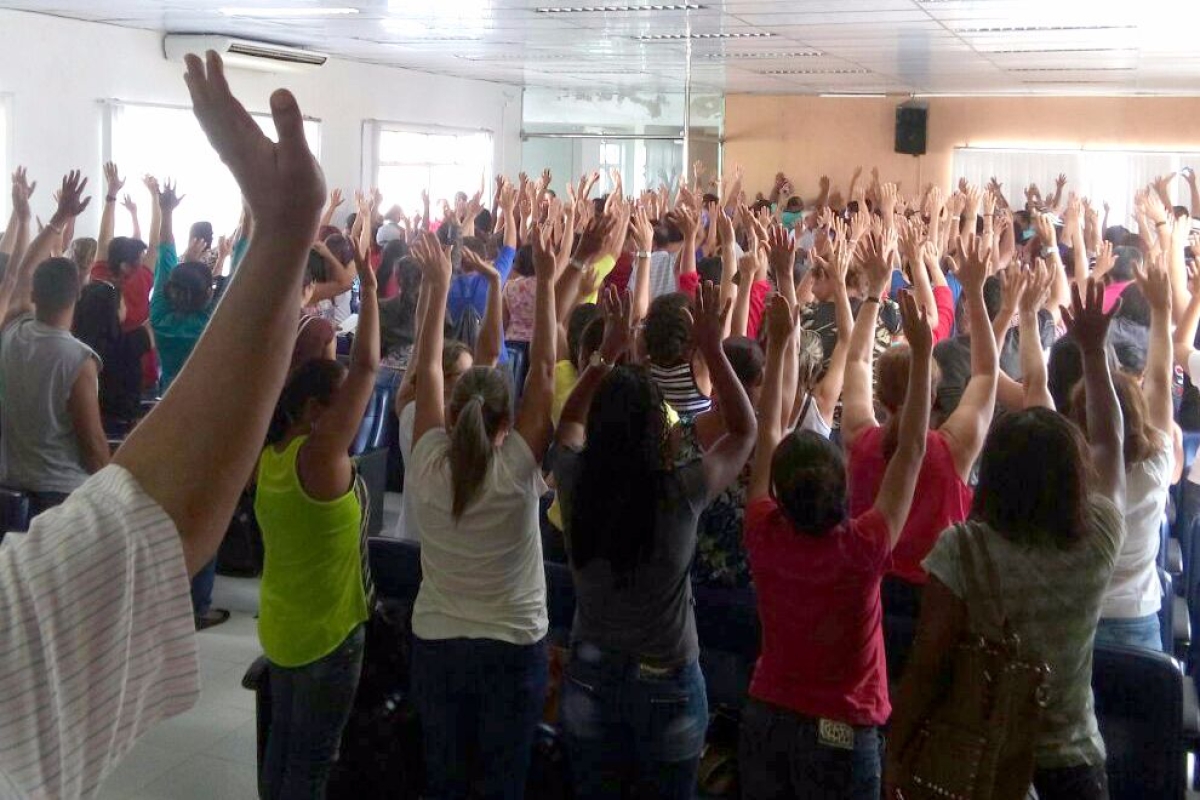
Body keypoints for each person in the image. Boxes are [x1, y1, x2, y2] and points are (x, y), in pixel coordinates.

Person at [0, 50, 328, 798]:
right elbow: (153, 512)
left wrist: (46, 220)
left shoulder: (92, 321)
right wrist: (278, 235)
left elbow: (149, 520)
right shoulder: (91, 348)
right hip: (68, 486)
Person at [888, 279, 1127, 800]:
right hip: (1073, 762)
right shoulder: (1100, 540)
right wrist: (1092, 351)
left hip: (977, 759)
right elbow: (1110, 441)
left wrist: (895, 754)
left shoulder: (962, 550)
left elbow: (927, 668)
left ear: (993, 476)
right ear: (1074, 478)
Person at [554, 282, 756, 798]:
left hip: (592, 667)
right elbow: (744, 430)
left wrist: (605, 356)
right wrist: (710, 346)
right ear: (658, 429)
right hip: (665, 675)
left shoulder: (576, 481)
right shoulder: (680, 490)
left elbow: (570, 422)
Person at [739, 288, 931, 800]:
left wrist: (780, 344)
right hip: (842, 731)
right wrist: (924, 354)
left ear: (777, 491)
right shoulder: (863, 547)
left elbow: (769, 429)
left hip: (769, 717)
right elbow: (911, 450)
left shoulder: (762, 530)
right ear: (843, 489)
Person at [404, 217, 557, 799]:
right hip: (512, 648)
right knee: (502, 785)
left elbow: (426, 374)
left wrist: (436, 288)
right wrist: (543, 280)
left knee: (446, 782)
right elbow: (543, 370)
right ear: (506, 419)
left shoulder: (425, 464)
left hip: (438, 645)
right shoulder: (518, 469)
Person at [255, 245, 378, 799]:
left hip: (282, 630)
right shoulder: (319, 461)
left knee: (282, 749)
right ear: (313, 413)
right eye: (340, 405)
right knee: (313, 763)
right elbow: (369, 369)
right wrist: (371, 292)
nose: (351, 417)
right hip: (328, 638)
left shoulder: (272, 457)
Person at [843, 234, 997, 622]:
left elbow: (858, 360)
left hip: (870, 597)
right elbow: (985, 373)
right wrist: (975, 294)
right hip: (937, 605)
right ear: (932, 395)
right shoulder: (953, 450)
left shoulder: (859, 439)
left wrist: (876, 292)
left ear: (879, 395)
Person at [1073, 256, 1173, 651]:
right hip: (1138, 624)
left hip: (1079, 623)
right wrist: (1162, 311)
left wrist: (1090, 349)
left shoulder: (1068, 469)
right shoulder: (1157, 463)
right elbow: (1162, 380)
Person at [0, 174, 110, 517]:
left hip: (11, 485)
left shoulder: (12, 332)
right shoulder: (78, 360)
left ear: (33, 295)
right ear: (78, 293)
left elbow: (18, 271)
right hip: (61, 495)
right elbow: (92, 446)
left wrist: (57, 219)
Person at [150, 181, 217, 393]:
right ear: (208, 293)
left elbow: (165, 253)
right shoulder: (210, 322)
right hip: (204, 398)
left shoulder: (160, 317)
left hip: (168, 397)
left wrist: (166, 212)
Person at [73, 280, 152, 433]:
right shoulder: (130, 344)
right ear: (112, 311)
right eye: (122, 304)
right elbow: (157, 321)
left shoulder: (77, 347)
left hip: (86, 427)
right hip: (124, 428)